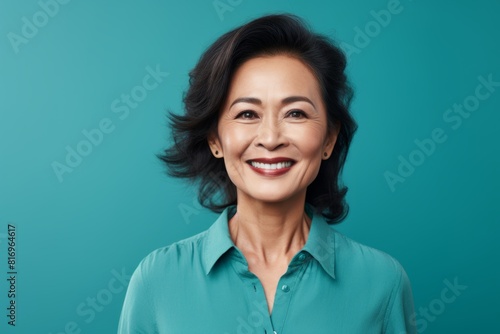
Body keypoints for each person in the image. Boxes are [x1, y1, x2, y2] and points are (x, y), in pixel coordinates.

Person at [118, 14, 416, 334]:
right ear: (215, 139)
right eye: (247, 113)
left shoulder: (383, 282)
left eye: (296, 113)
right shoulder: (157, 281)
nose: (271, 138)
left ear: (329, 138)